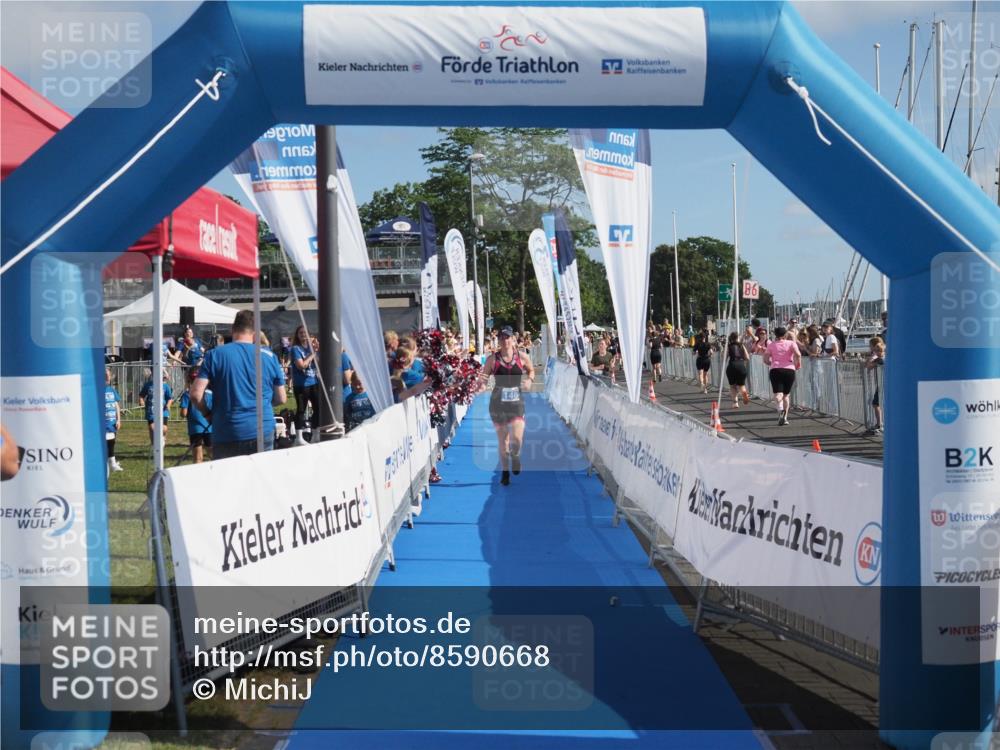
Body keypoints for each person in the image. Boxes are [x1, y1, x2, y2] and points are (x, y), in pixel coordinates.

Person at [190, 309, 287, 459]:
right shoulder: (270, 356)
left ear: (233, 329)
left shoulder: (215, 355)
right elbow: (281, 398)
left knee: (229, 474)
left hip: (227, 430)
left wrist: (207, 413)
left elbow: (196, 395)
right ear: (255, 332)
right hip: (262, 429)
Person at [483, 326, 534, 486]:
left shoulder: (522, 356)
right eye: (502, 337)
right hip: (498, 403)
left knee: (517, 439)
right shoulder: (492, 359)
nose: (505, 340)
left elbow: (531, 370)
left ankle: (516, 455)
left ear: (513, 339)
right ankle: (505, 472)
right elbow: (484, 377)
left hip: (516, 403)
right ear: (498, 340)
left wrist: (530, 380)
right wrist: (481, 385)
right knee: (503, 440)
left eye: (507, 337)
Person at [763, 325, 801, 426]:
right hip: (789, 370)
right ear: (785, 334)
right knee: (786, 395)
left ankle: (780, 410)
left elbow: (765, 359)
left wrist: (770, 363)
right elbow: (798, 354)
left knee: (778, 394)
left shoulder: (771, 345)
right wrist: (798, 364)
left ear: (775, 335)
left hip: (776, 369)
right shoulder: (791, 343)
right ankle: (785, 418)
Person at [290, 325, 320, 441]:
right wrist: (312, 354)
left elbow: (318, 363)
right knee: (301, 410)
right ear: (297, 335)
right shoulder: (295, 349)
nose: (303, 334)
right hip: (301, 384)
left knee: (318, 408)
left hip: (314, 382)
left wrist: (317, 350)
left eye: (305, 332)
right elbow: (301, 365)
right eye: (301, 333)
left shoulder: (311, 348)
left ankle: (315, 434)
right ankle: (299, 437)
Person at [179, 369, 212, 463]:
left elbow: (184, 413)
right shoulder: (210, 394)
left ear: (189, 379)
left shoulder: (187, 394)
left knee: (198, 458)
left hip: (195, 429)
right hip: (209, 427)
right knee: (213, 454)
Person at [138, 370, 172, 445]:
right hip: (151, 411)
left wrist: (168, 405)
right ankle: (154, 445)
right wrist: (141, 401)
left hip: (163, 411)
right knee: (152, 428)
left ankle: (163, 437)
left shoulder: (165, 386)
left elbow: (169, 398)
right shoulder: (148, 385)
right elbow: (141, 395)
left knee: (164, 429)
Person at [864, 336, 886, 435]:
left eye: (878, 351)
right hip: (884, 383)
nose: (877, 353)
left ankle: (879, 424)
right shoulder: (885, 357)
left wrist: (872, 358)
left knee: (876, 404)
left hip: (882, 384)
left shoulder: (879, 360)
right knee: (877, 404)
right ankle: (879, 424)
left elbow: (868, 366)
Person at [104, 368, 123, 474]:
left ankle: (112, 463)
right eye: (105, 375)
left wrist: (118, 420)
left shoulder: (111, 390)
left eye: (108, 375)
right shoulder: (98, 390)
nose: (107, 377)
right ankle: (109, 464)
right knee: (106, 443)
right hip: (104, 423)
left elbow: (116, 405)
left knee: (111, 443)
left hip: (112, 422)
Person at [724, 332, 751, 408]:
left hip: (732, 365)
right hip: (741, 365)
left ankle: (735, 403)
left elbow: (724, 358)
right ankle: (744, 392)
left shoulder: (729, 346)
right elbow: (747, 357)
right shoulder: (741, 345)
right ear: (737, 338)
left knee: (732, 386)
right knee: (741, 384)